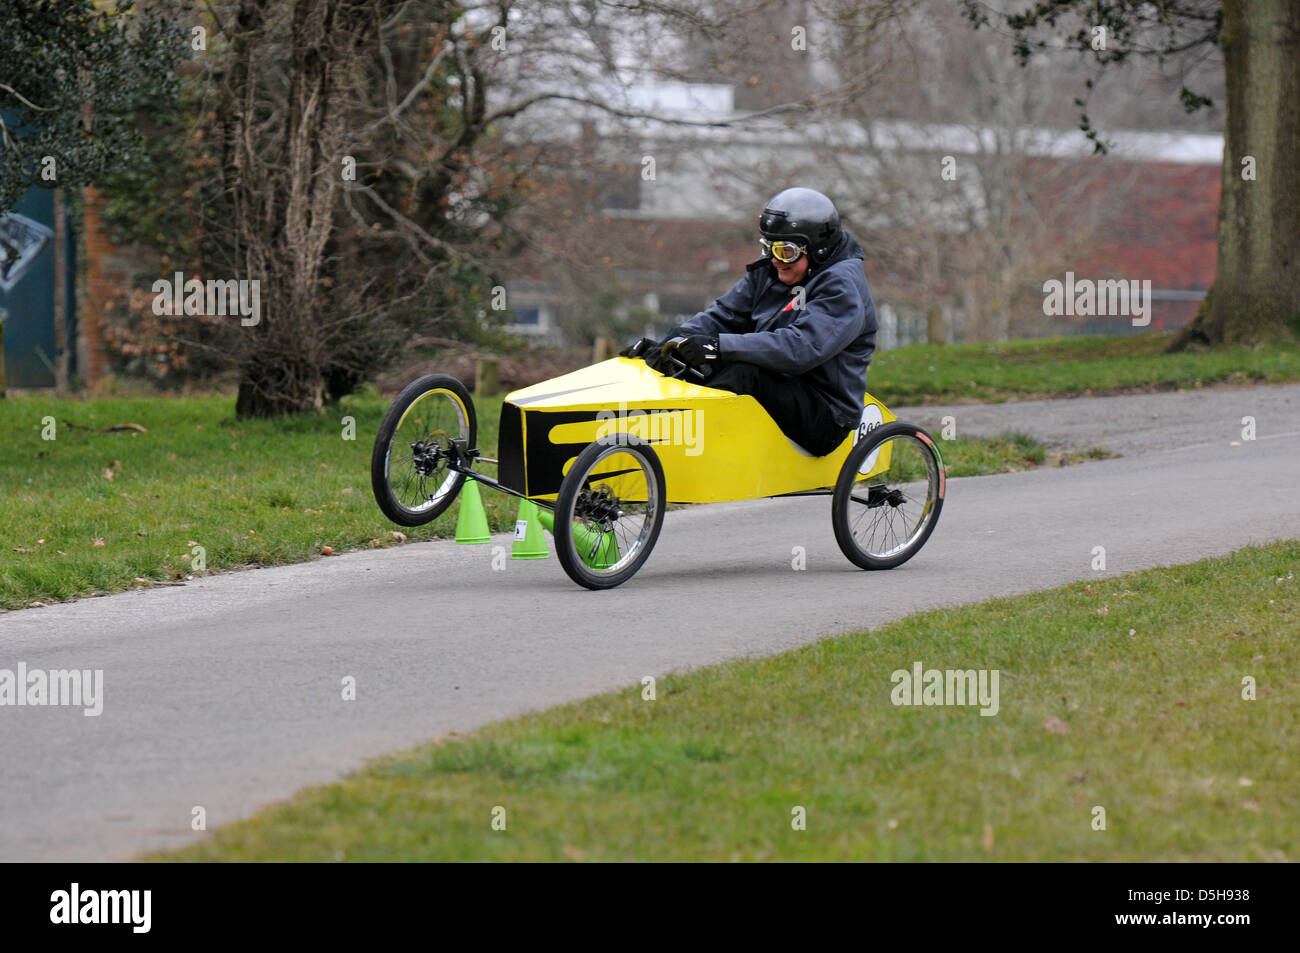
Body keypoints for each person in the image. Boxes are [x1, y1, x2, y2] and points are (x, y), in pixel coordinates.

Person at [624, 187, 877, 456]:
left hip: (826, 417)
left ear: (818, 250)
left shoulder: (842, 286)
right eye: (768, 247)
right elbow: (723, 315)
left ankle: (681, 449)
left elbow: (801, 348)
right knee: (686, 359)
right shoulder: (769, 270)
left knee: (742, 372)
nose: (776, 260)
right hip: (782, 388)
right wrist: (672, 342)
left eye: (786, 251)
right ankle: (641, 438)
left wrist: (717, 347)